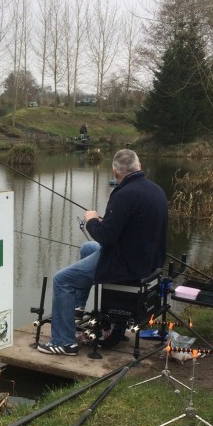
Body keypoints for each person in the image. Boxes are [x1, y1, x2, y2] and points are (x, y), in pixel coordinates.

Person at [38, 149, 168, 356]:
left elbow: (106, 237)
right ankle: (77, 308)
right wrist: (105, 222)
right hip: (148, 259)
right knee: (87, 248)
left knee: (62, 279)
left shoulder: (123, 195)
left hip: (126, 263)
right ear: (139, 166)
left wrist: (92, 220)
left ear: (115, 172)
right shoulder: (156, 190)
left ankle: (64, 342)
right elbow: (131, 227)